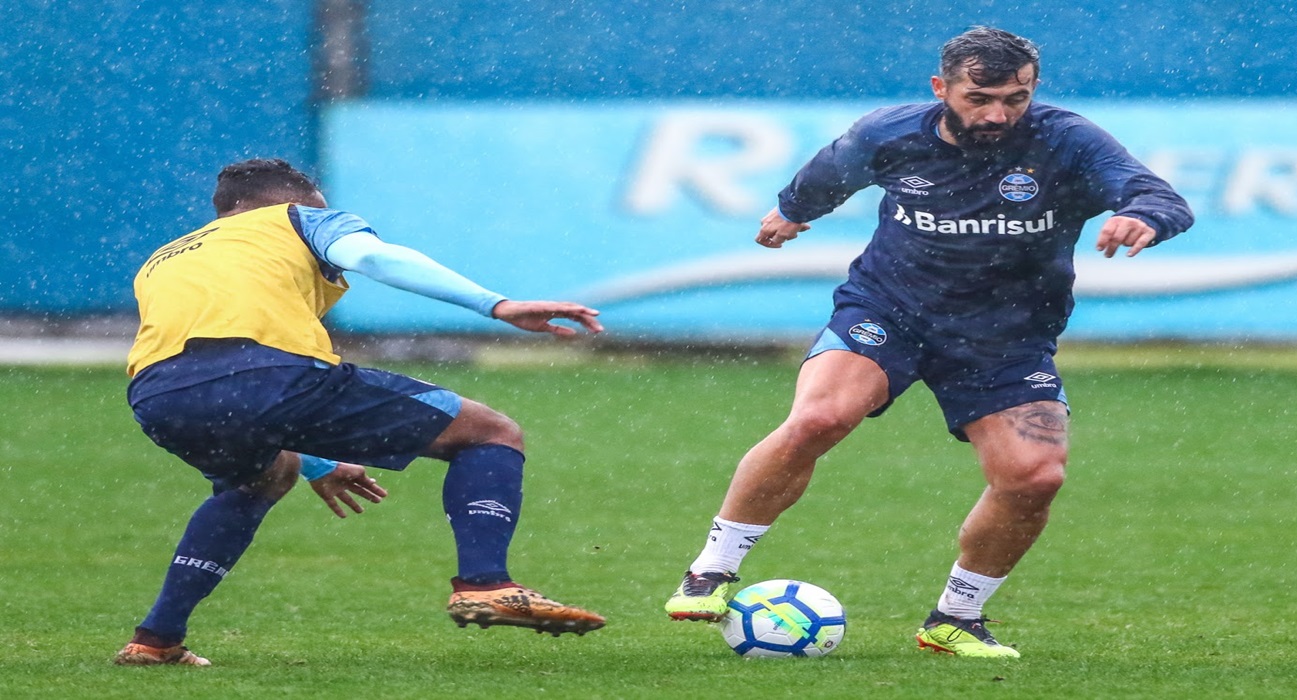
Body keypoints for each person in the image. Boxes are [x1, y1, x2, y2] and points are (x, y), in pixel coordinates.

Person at [663, 27, 1193, 659]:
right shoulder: (890, 134)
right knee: (821, 417)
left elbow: (1160, 195)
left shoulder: (1066, 139)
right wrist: (792, 211)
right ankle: (712, 569)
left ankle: (956, 618)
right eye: (980, 97)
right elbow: (829, 173)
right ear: (941, 88)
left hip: (1007, 338)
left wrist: (1142, 216)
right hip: (889, 309)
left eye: (1016, 98)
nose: (998, 113)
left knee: (1034, 477)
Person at [114, 158, 608, 667]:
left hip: (158, 396)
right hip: (269, 373)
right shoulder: (297, 218)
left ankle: (156, 639)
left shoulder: (164, 258)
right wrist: (496, 305)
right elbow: (372, 256)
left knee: (261, 479)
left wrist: (320, 462)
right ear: (301, 199)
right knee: (489, 433)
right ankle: (485, 583)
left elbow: (215, 383)